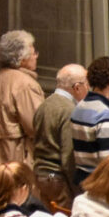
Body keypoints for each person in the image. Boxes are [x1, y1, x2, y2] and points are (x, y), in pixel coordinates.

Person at [0, 30, 43, 173]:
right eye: (33, 53)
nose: (36, 56)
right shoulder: (25, 84)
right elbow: (36, 125)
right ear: (21, 59)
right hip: (16, 158)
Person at [29, 61, 86, 207]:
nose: (88, 88)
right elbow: (69, 156)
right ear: (77, 87)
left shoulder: (45, 104)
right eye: (87, 84)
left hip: (41, 175)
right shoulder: (69, 110)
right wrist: (78, 189)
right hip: (57, 178)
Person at [66, 55, 109, 189]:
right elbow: (107, 160)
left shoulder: (79, 107)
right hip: (99, 183)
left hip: (81, 178)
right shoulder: (104, 115)